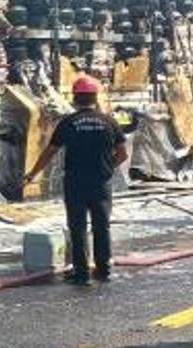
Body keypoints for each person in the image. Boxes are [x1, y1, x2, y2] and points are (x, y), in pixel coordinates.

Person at [22, 75, 128, 284]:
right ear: (95, 97)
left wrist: (32, 173)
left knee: (77, 226)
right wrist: (107, 168)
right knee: (101, 225)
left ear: (76, 99)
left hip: (75, 183)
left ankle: (81, 274)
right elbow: (122, 154)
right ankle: (104, 269)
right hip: (101, 183)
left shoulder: (69, 123)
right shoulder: (109, 121)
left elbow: (50, 152)